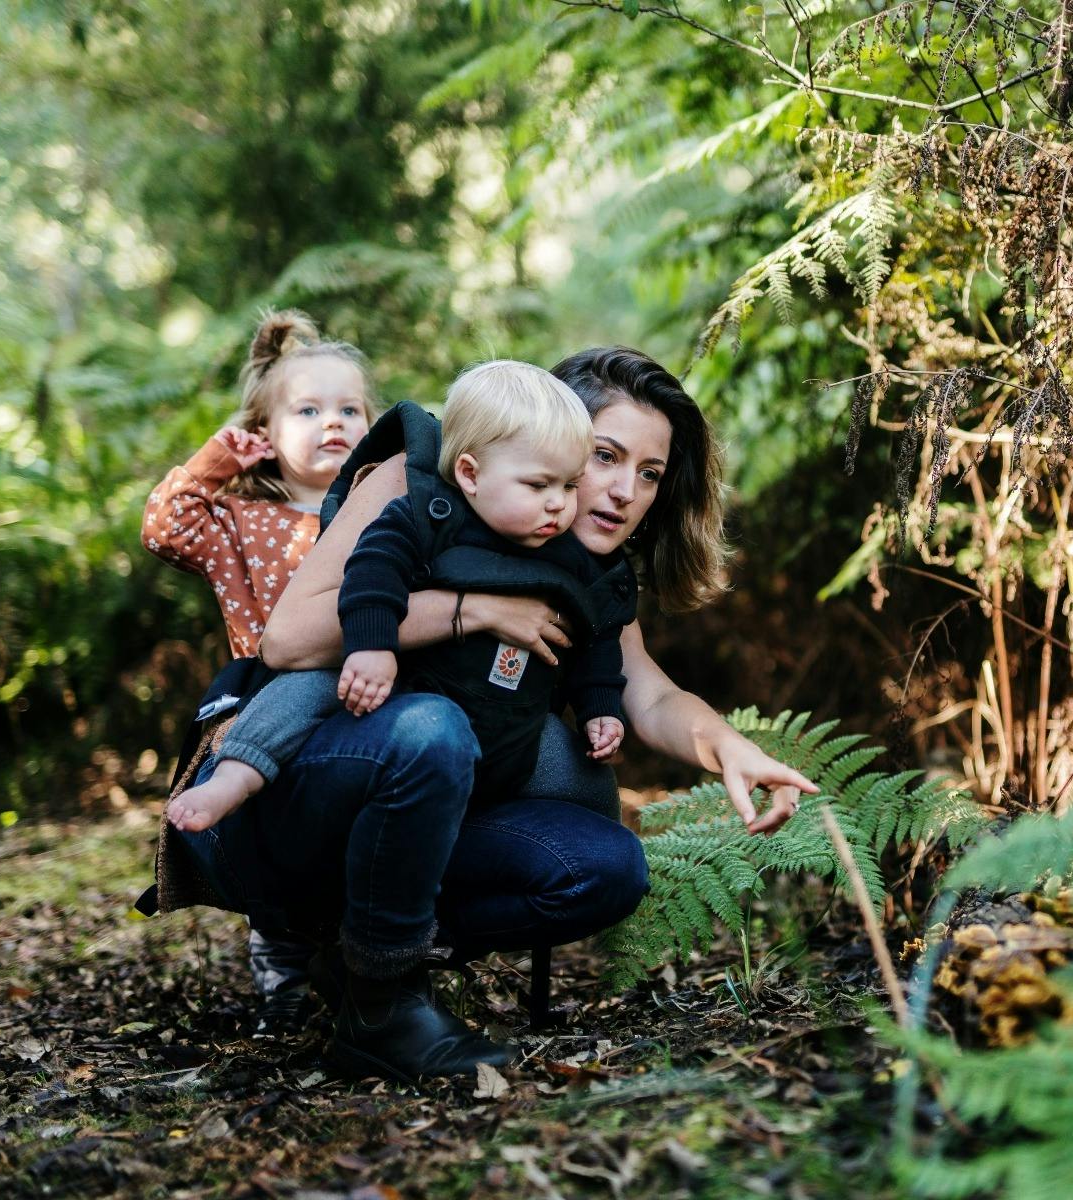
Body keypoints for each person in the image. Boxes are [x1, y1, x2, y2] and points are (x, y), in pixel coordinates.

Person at [158, 346, 815, 1083]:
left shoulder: (586, 569)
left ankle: (355, 951)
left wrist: (731, 748)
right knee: (431, 726)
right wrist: (473, 611)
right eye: (605, 455)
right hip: (281, 787)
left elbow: (649, 693)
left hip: (413, 799)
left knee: (603, 862)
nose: (625, 490)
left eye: (651, 473)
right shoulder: (418, 481)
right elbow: (288, 639)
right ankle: (382, 1003)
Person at [165, 361, 630, 833]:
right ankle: (233, 776)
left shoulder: (559, 546)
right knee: (301, 692)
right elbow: (370, 577)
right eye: (539, 485)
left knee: (585, 784)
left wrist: (600, 709)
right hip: (372, 677)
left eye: (570, 486)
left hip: (493, 716)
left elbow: (597, 638)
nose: (558, 503)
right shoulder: (424, 512)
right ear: (470, 473)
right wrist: (373, 646)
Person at [142, 309, 376, 1037]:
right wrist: (218, 462)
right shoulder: (241, 520)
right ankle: (277, 949)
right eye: (307, 410)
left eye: (349, 409)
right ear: (265, 435)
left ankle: (367, 939)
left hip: (370, 678)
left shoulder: (384, 511)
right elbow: (166, 528)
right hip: (267, 688)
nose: (332, 422)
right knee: (273, 810)